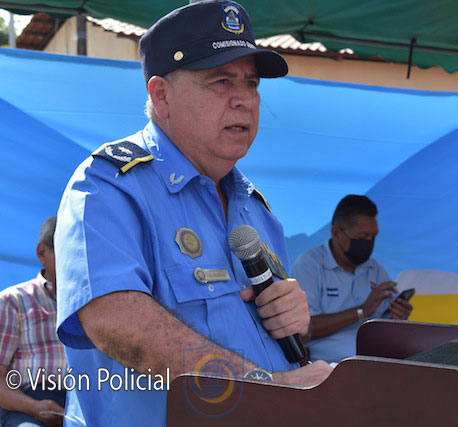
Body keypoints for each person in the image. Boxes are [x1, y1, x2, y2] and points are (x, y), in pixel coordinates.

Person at [54, 2, 331, 426]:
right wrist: (265, 388)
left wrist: (294, 318)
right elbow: (114, 319)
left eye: (252, 83)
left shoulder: (255, 209)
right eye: (221, 81)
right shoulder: (108, 186)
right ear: (161, 96)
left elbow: (267, 335)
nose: (244, 100)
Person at [291, 195, 413, 363]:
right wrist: (361, 311)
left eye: (373, 237)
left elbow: (386, 324)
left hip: (377, 362)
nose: (369, 243)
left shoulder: (375, 270)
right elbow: (304, 329)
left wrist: (398, 317)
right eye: (362, 237)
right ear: (336, 233)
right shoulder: (309, 265)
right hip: (330, 367)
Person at [0, 216, 66, 427]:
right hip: (27, 406)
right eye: (67, 251)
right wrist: (35, 407)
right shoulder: (13, 300)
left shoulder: (92, 305)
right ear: (42, 252)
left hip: (80, 405)